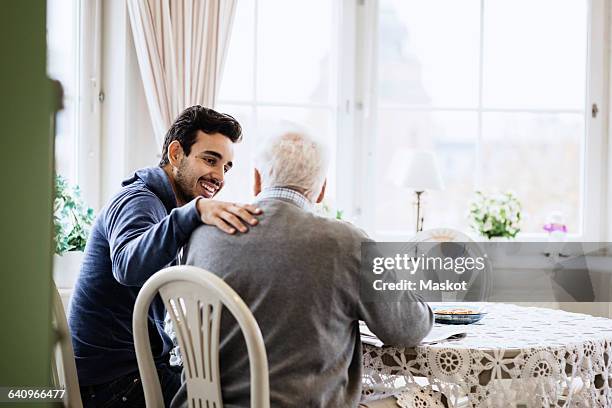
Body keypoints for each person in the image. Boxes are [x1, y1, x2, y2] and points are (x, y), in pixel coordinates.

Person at [172, 127, 433, 407]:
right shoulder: (347, 242)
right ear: (321, 190)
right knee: (432, 397)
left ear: (257, 181)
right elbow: (407, 329)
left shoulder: (201, 234)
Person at [69, 106, 262, 407]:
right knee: (227, 398)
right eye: (210, 160)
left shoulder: (162, 204)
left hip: (119, 373)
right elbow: (127, 265)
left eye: (226, 167)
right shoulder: (139, 200)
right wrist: (194, 212)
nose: (219, 176)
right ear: (175, 154)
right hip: (112, 383)